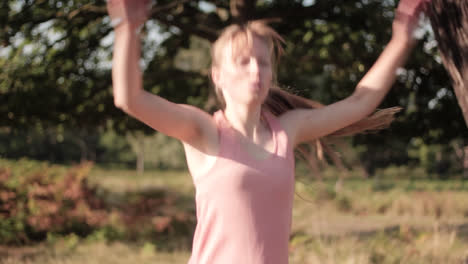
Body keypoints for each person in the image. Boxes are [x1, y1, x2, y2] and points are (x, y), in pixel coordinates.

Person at [107, 0, 427, 263]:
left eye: (262, 63)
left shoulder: (287, 131)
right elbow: (129, 99)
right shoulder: (204, 130)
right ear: (217, 76)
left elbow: (360, 102)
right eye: (243, 62)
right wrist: (128, 29)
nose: (255, 71)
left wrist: (401, 38)